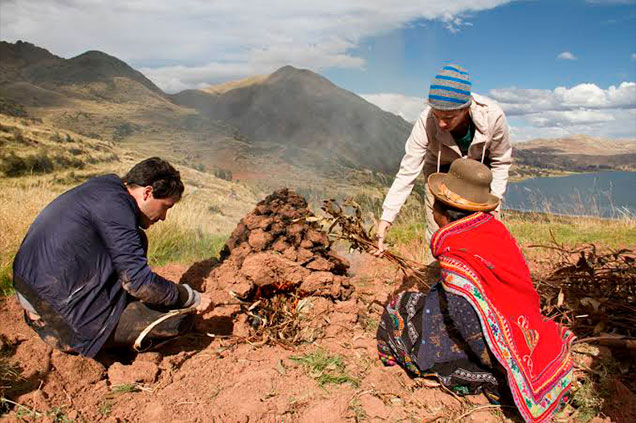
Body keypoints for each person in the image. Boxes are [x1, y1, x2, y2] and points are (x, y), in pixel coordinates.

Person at [376, 159, 574, 423]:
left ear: (443, 212)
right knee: (419, 303)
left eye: (435, 203)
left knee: (397, 313)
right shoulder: (494, 230)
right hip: (526, 327)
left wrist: (495, 360)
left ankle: (492, 378)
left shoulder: (456, 261)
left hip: (489, 349)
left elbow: (468, 325)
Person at [12, 157, 212, 357]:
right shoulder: (116, 207)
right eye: (166, 207)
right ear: (148, 192)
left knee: (138, 240)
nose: (163, 217)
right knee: (178, 323)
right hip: (58, 310)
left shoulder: (106, 189)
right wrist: (189, 297)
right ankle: (77, 338)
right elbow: (139, 283)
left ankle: (49, 318)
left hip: (31, 290)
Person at [376, 64, 512, 259]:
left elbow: (500, 161)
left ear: (465, 108)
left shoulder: (493, 116)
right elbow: (408, 170)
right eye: (436, 115)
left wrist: (495, 207)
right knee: (439, 236)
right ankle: (441, 278)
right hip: (440, 176)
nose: (441, 123)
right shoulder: (426, 120)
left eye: (448, 117)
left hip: (477, 180)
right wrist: (386, 219)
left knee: (479, 237)